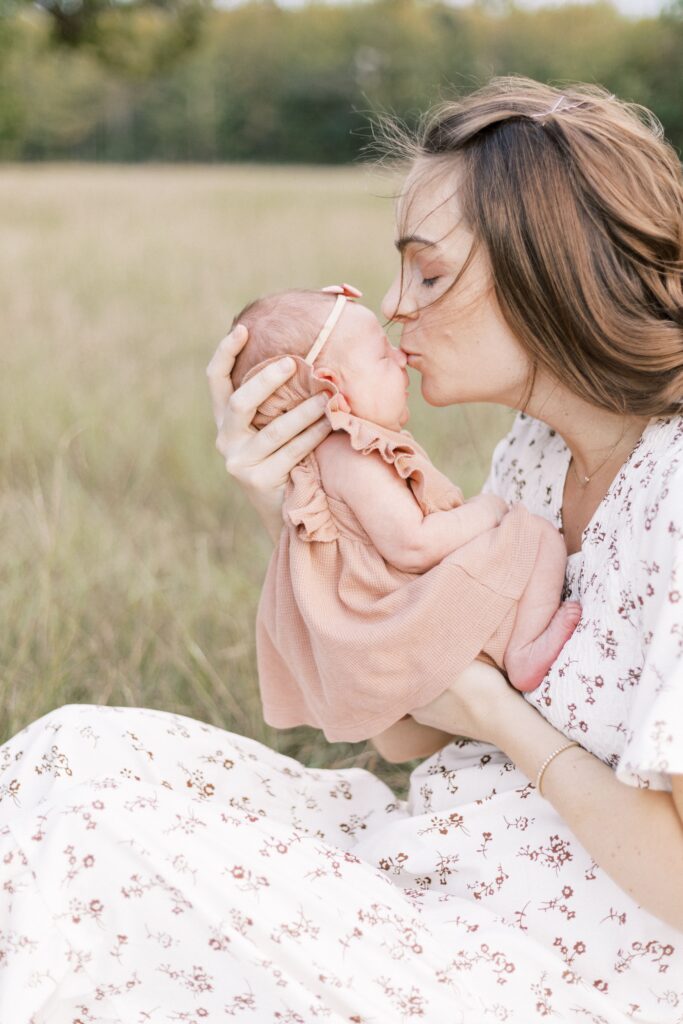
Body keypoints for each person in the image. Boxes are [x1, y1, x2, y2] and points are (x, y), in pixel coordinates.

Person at [1, 77, 682, 1023]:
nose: (397, 309)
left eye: (430, 273)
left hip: (549, 961)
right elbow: (405, 730)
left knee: (106, 855)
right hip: (431, 863)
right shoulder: (532, 456)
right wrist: (302, 510)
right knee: (75, 759)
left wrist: (495, 712)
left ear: (551, 268)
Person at [234, 284, 579, 748]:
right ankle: (524, 648)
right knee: (534, 533)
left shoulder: (329, 460)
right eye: (381, 356)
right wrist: (490, 509)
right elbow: (413, 545)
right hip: (396, 618)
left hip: (392, 621)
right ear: (333, 386)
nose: (400, 359)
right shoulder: (351, 455)